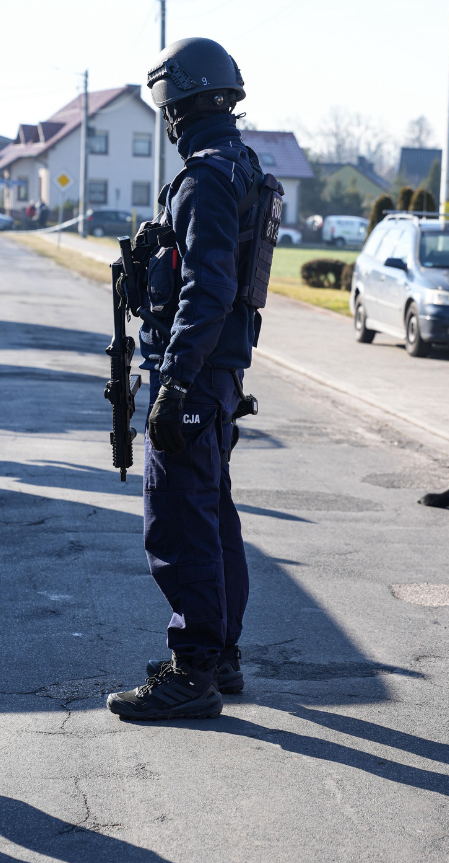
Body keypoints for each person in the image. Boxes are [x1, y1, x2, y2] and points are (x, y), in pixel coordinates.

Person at [107, 38, 258, 719]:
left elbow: (208, 290)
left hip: (194, 376)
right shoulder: (243, 166)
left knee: (179, 525)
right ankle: (218, 655)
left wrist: (173, 383)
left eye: (165, 110)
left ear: (179, 108)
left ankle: (191, 671)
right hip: (219, 374)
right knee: (213, 515)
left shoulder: (204, 179)